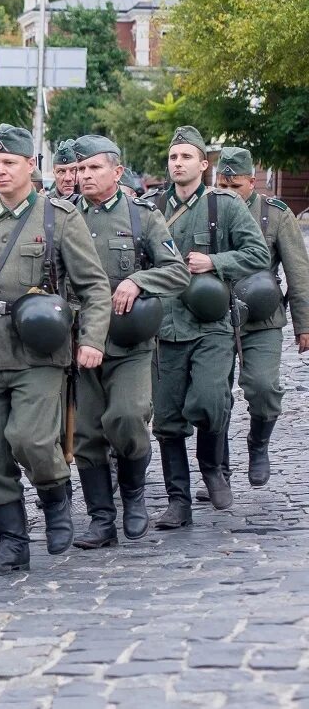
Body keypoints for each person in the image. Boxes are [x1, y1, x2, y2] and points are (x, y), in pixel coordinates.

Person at [0, 124, 111, 577]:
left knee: (31, 439)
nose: (0, 171)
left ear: (30, 166)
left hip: (39, 352)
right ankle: (12, 543)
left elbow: (94, 287)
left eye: (9, 163)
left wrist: (90, 340)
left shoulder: (57, 218)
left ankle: (55, 496)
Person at [68, 135, 190, 549]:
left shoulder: (142, 217)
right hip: (80, 341)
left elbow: (177, 271)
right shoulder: (63, 217)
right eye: (80, 169)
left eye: (93, 168)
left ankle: (134, 495)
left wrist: (139, 280)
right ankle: (101, 520)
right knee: (86, 435)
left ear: (117, 172)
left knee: (128, 417)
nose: (84, 176)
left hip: (129, 343)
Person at [148, 127, 268, 528]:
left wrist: (214, 263)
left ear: (204, 164)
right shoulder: (151, 210)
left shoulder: (225, 206)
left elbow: (257, 253)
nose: (178, 163)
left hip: (212, 324)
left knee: (212, 398)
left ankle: (213, 468)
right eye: (173, 157)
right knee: (166, 418)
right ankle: (178, 500)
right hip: (165, 327)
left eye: (186, 157)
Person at [213, 147, 309, 491]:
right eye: (222, 186)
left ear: (252, 182)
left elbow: (298, 272)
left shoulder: (276, 214)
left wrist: (304, 324)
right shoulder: (209, 210)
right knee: (213, 396)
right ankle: (217, 468)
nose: (228, 193)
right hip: (215, 317)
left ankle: (258, 445)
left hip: (262, 318)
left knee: (264, 388)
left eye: (235, 186)